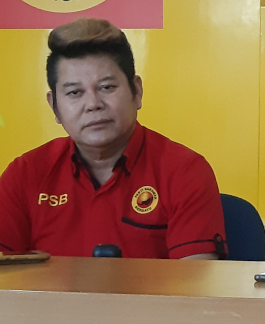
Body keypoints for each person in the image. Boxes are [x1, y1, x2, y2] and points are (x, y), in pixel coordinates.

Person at [0, 18, 226, 259]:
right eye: (75, 93)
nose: (93, 104)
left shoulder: (185, 171)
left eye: (106, 87)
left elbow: (196, 288)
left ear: (136, 92)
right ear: (54, 106)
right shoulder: (25, 175)